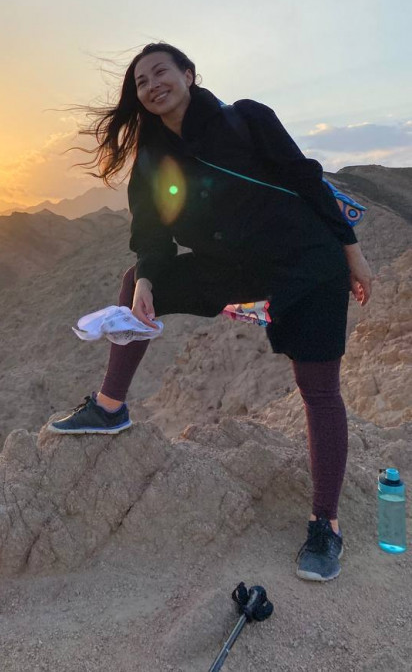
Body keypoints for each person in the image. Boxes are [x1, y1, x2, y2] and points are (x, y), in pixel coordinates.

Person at [49, 42, 373, 582]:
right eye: (141, 82)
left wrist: (352, 253)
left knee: (318, 389)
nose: (152, 85)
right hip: (233, 269)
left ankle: (325, 525)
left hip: (305, 263)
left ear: (188, 74)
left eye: (161, 72)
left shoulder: (247, 119)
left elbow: (306, 179)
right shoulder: (151, 160)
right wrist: (148, 279)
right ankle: (109, 408)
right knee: (135, 281)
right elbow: (150, 231)